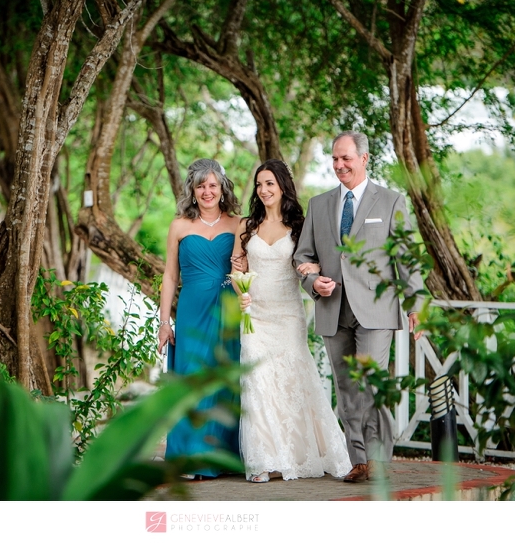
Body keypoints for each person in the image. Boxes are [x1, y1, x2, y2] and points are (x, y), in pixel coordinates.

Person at [293, 131, 426, 483]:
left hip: (377, 308)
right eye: (335, 159)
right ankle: (359, 460)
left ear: (364, 159)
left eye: (346, 158)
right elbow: (303, 256)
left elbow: (407, 258)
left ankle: (379, 457)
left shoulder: (392, 202)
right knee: (347, 388)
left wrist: (417, 304)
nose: (339, 165)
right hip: (333, 308)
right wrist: (312, 282)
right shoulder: (318, 205)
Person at [230, 159, 352, 483]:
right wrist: (239, 288)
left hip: (287, 315)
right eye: (259, 184)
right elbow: (238, 268)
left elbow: (309, 261)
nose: (263, 190)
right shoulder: (247, 225)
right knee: (256, 383)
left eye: (269, 183)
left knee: (292, 381)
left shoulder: (300, 224)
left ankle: (299, 455)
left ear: (282, 185)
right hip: (254, 316)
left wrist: (314, 274)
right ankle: (262, 461)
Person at [158, 158, 242, 479]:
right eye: (200, 186)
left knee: (224, 379)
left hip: (227, 307)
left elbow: (246, 267)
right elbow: (169, 276)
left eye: (213, 185)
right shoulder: (179, 226)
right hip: (192, 309)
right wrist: (165, 322)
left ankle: (222, 457)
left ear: (222, 189)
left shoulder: (238, 224)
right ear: (192, 191)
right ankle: (189, 458)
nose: (207, 191)